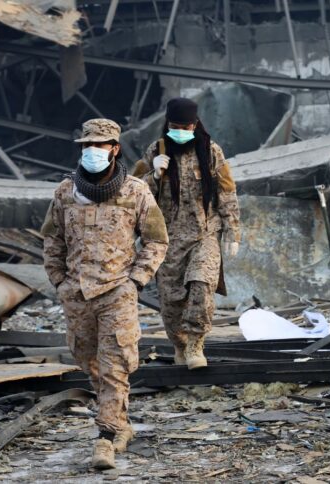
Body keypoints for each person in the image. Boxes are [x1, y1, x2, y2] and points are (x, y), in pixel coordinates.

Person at [41, 118, 168, 469]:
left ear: (114, 148)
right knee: (88, 361)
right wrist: (59, 280)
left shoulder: (136, 191)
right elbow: (52, 239)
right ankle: (122, 421)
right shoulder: (66, 192)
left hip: (117, 291)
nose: (92, 151)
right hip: (77, 293)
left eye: (100, 145)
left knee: (115, 366)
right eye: (86, 146)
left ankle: (106, 439)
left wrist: (136, 281)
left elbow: (156, 240)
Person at [131, 98, 240, 370]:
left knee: (202, 284)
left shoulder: (211, 151)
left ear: (195, 124)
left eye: (186, 126)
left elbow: (227, 191)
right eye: (175, 126)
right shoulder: (154, 152)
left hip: (205, 234)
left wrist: (232, 231)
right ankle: (179, 345)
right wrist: (153, 175)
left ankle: (195, 344)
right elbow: (132, 193)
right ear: (167, 124)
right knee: (171, 302)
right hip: (167, 239)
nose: (180, 130)